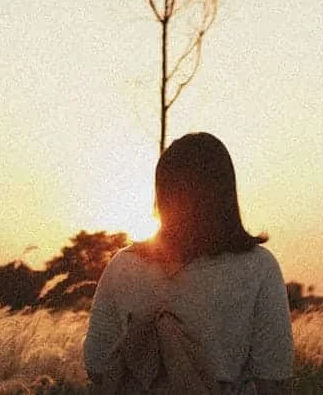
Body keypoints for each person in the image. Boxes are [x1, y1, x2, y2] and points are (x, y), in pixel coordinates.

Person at [83, 132, 293, 393]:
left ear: (163, 194)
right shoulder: (259, 267)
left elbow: (97, 365)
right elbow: (273, 378)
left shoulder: (123, 267)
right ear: (224, 192)